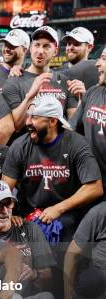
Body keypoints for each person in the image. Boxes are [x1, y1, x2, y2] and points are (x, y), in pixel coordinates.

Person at [1, 95, 103, 243]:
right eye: (28, 117)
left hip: (68, 213)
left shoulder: (76, 144)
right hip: (30, 214)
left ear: (53, 121)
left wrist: (58, 209)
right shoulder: (19, 146)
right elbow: (4, 188)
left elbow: (95, 187)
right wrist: (10, 213)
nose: (27, 122)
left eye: (34, 118)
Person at [2, 26, 80, 136]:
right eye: (37, 45)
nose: (40, 51)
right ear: (30, 48)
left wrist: (82, 100)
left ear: (55, 51)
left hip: (59, 148)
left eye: (46, 46)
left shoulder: (65, 81)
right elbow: (17, 126)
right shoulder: (14, 81)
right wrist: (30, 96)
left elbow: (73, 125)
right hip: (28, 149)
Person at [70, 47, 106, 193]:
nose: (97, 63)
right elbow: (70, 129)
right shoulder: (93, 92)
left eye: (103, 58)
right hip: (87, 182)